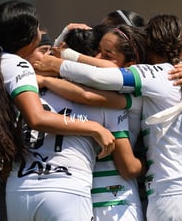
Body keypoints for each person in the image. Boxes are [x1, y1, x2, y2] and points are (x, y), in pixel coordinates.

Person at [0, 0, 115, 221]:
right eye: (37, 28)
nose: (40, 32)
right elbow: (36, 118)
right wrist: (93, 127)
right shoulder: (17, 65)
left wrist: (64, 36)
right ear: (26, 38)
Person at [35, 14, 182, 221]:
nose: (99, 58)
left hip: (175, 193)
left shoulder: (152, 76)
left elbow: (99, 77)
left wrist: (59, 61)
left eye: (106, 54)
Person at [6, 27, 130, 221]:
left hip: (19, 188)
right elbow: (110, 77)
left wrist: (59, 48)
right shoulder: (104, 100)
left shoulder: (25, 91)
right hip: (67, 189)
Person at [48, 27, 146, 220]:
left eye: (107, 55)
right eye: (97, 51)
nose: (98, 58)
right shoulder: (67, 90)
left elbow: (128, 168)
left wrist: (155, 163)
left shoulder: (122, 97)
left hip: (117, 206)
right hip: (85, 202)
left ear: (130, 65)